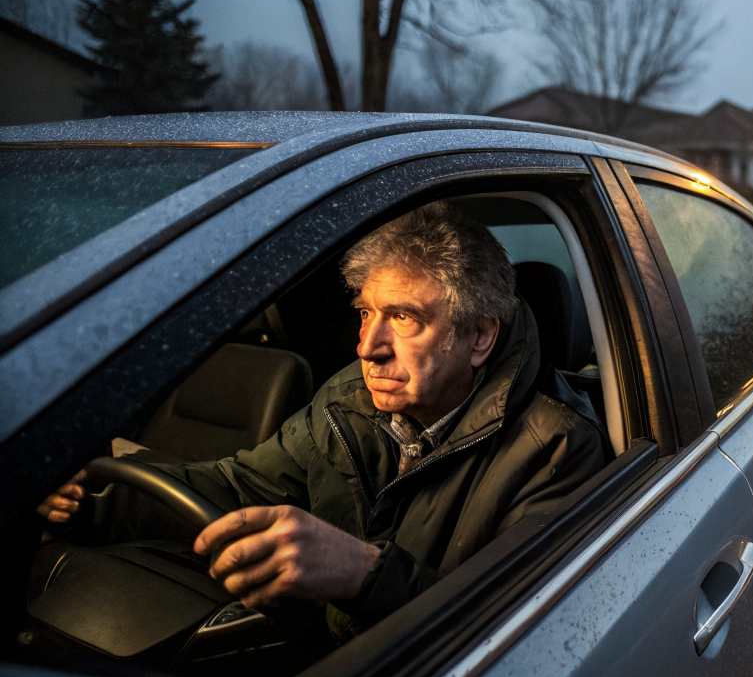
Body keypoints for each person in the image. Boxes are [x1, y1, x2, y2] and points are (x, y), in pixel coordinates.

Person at [39, 201, 607, 634]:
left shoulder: (556, 449)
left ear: (480, 337)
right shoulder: (347, 400)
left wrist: (362, 573)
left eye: (404, 317)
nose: (368, 347)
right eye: (365, 312)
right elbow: (238, 487)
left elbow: (517, 636)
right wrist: (97, 497)